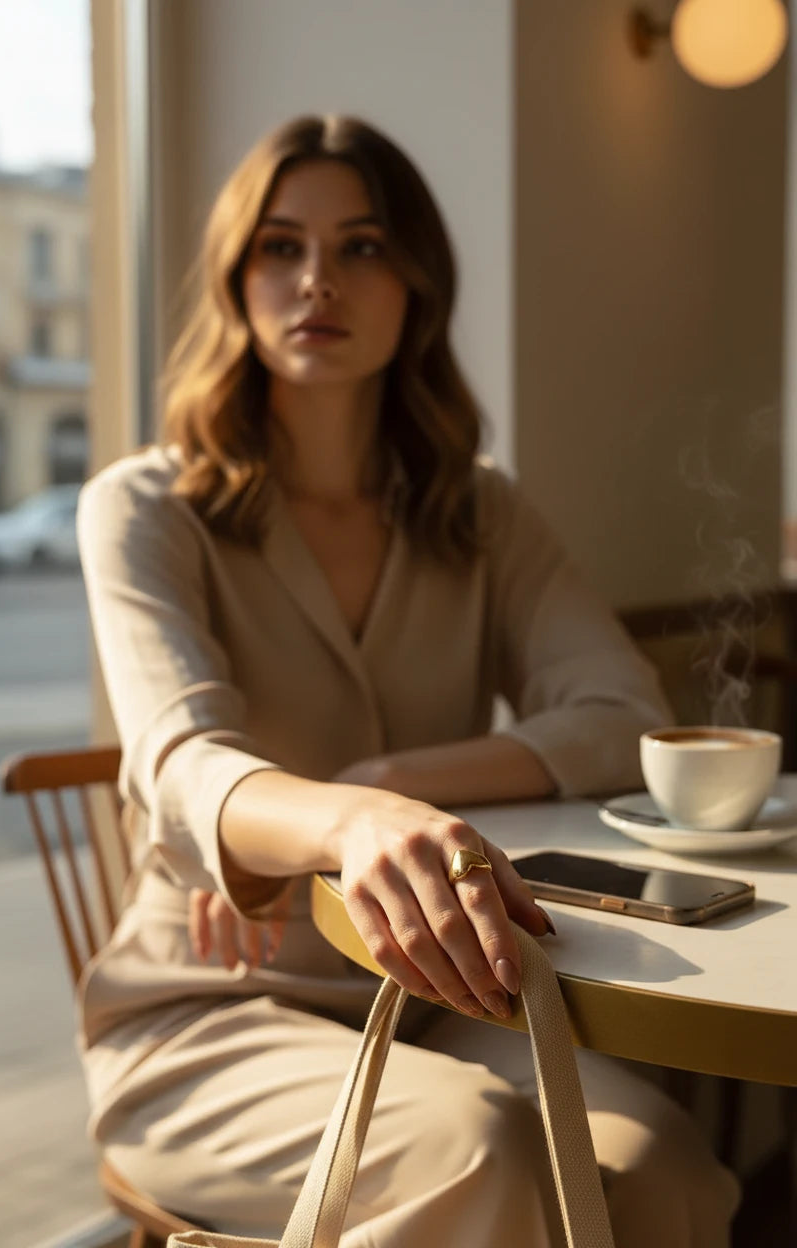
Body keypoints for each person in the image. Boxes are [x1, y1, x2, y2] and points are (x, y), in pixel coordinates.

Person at [77, 114, 739, 1248]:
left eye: (363, 246)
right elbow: (183, 763)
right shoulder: (145, 507)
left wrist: (375, 787)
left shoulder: (479, 511)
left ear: (418, 282)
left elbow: (620, 713)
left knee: (662, 1164)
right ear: (238, 279)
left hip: (428, 995)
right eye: (279, 247)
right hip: (209, 1013)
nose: (317, 279)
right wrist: (344, 821)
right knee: (479, 1152)